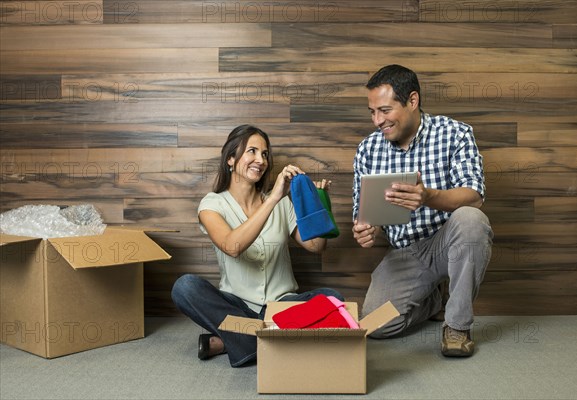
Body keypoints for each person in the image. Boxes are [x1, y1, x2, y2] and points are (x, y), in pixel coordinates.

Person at [171, 124, 343, 367]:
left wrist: (317, 205)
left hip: (281, 306)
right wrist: (273, 198)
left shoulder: (283, 204)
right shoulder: (212, 204)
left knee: (333, 299)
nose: (260, 160)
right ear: (230, 159)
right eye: (251, 151)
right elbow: (233, 246)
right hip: (237, 306)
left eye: (264, 154)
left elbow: (316, 246)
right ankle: (267, 337)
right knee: (184, 287)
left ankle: (235, 339)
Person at [352, 65, 494, 357]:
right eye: (372, 112)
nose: (377, 120)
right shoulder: (367, 149)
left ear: (412, 101)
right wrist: (366, 228)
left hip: (448, 242)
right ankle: (432, 301)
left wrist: (428, 196)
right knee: (376, 326)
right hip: (406, 254)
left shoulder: (455, 133)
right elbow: (365, 213)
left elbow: (474, 196)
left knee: (472, 220)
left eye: (385, 110)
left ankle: (456, 327)